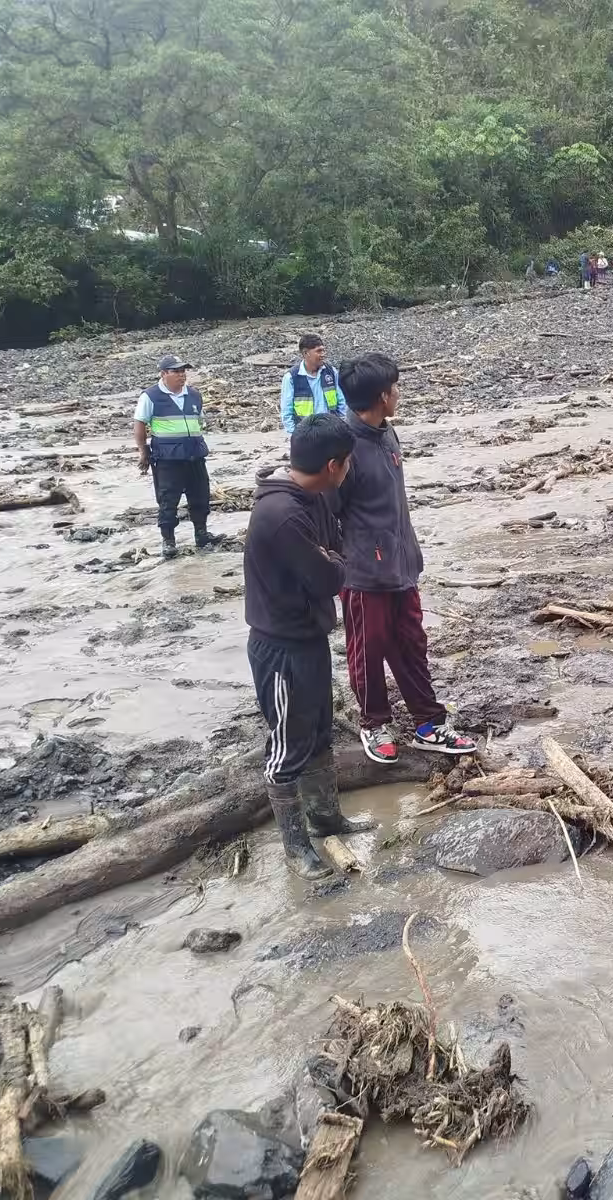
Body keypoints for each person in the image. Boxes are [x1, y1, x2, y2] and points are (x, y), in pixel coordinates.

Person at [244, 413, 373, 880]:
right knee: (286, 746)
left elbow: (334, 550)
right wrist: (332, 562)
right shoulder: (281, 514)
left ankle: (325, 818)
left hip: (308, 637)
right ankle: (296, 848)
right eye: (349, 463)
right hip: (280, 649)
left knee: (319, 730)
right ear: (335, 465)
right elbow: (328, 576)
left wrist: (331, 559)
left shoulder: (310, 497)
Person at [336, 353, 476, 764]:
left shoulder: (385, 433)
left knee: (412, 643)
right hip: (364, 573)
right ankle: (374, 723)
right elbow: (329, 513)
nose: (399, 393)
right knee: (368, 648)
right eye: (395, 387)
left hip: (401, 566)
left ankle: (428, 724)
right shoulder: (344, 447)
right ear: (382, 395)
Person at [134, 354, 216, 560]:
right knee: (168, 500)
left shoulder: (194, 395)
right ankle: (169, 541)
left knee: (200, 496)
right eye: (176, 371)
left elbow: (199, 422)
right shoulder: (150, 396)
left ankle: (201, 534)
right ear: (163, 374)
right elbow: (139, 424)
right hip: (168, 459)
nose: (182, 375)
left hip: (195, 455)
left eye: (183, 371)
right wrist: (143, 451)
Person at [280, 334, 347, 435]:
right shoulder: (291, 378)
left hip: (331, 430)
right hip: (306, 434)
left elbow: (342, 402)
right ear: (306, 353)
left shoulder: (331, 372)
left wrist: (344, 426)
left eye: (323, 350)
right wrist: (293, 435)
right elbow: (286, 411)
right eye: (319, 351)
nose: (323, 354)